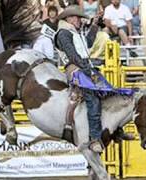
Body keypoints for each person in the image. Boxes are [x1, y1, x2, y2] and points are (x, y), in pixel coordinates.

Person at [54, 5, 105, 153]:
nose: (79, 20)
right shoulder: (63, 33)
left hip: (83, 67)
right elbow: (73, 56)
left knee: (107, 92)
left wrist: (95, 24)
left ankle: (111, 129)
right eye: (77, 17)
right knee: (92, 97)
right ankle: (95, 138)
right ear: (69, 19)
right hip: (75, 69)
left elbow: (88, 43)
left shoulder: (74, 33)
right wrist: (90, 72)